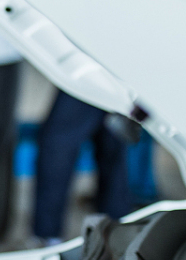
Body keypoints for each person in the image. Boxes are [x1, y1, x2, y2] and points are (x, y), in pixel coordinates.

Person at [29, 92, 137, 246]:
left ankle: (46, 235)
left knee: (58, 143)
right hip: (120, 80)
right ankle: (117, 232)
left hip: (95, 74)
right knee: (112, 147)